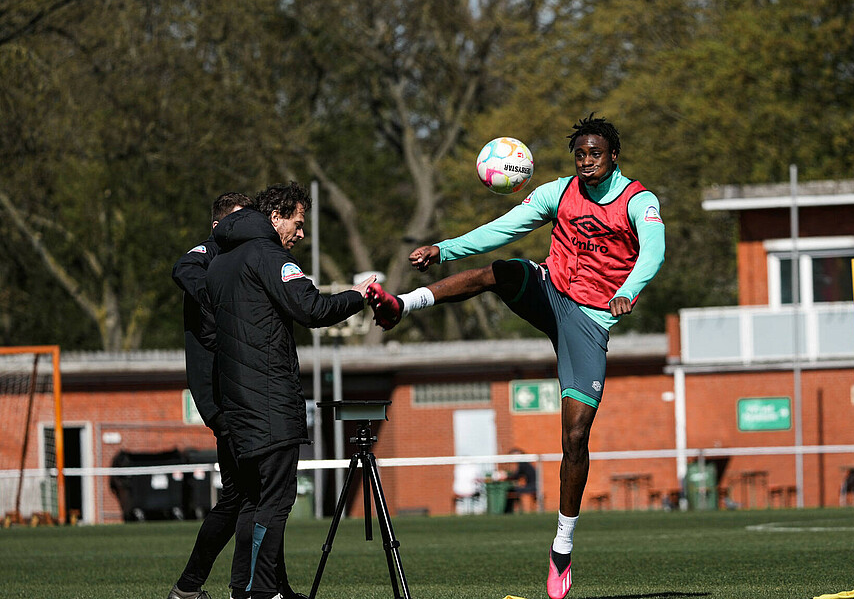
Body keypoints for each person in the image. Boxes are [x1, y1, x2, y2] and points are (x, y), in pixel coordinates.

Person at [367, 114, 665, 599]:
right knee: (503, 272)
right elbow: (502, 228)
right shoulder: (557, 193)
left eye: (595, 153)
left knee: (575, 436)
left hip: (590, 321)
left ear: (614, 156)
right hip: (550, 291)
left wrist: (627, 291)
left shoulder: (638, 201)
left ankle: (562, 547)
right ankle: (403, 305)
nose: (586, 161)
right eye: (580, 154)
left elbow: (653, 251)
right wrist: (444, 249)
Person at [206, 182, 375, 599]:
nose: (301, 234)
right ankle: (263, 591)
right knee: (277, 500)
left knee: (252, 500)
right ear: (275, 216)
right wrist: (358, 296)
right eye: (297, 224)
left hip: (237, 402)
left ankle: (246, 589)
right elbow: (313, 308)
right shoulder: (268, 255)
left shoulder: (221, 261)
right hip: (269, 400)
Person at [168, 192, 254, 599]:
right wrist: (226, 295)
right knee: (255, 497)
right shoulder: (207, 256)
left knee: (243, 498)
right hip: (224, 403)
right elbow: (182, 268)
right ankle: (253, 588)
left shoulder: (243, 259)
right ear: (219, 227)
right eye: (238, 221)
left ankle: (190, 588)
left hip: (237, 398)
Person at [503, 448, 538, 514]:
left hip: (532, 487)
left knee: (512, 490)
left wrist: (505, 477)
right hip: (533, 485)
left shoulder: (523, 464)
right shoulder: (525, 463)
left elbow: (516, 476)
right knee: (513, 490)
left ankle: (508, 511)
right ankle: (511, 510)